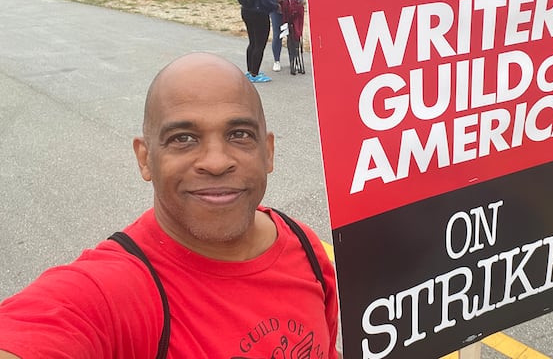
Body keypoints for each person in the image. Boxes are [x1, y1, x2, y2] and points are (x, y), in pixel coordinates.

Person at [0, 53, 341, 358]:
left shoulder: (304, 246)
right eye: (183, 139)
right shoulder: (114, 293)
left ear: (268, 152)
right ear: (145, 159)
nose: (216, 161)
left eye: (239, 134)